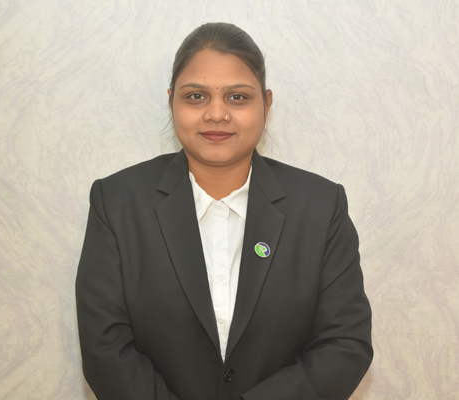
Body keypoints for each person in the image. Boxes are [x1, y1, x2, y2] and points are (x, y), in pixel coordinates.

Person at [75, 22, 373, 400]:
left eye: (237, 97)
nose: (216, 114)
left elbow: (345, 345)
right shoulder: (117, 202)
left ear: (266, 104)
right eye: (196, 96)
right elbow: (104, 349)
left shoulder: (320, 206)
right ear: (171, 101)